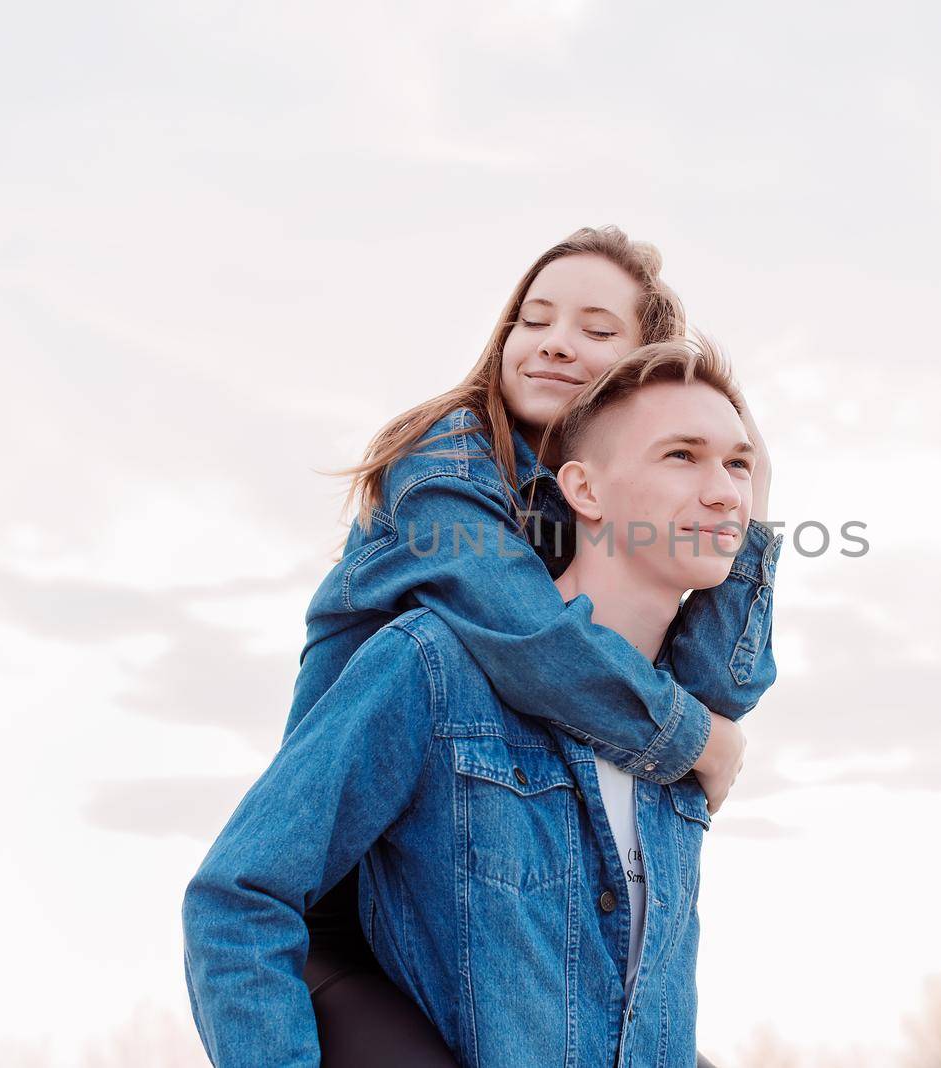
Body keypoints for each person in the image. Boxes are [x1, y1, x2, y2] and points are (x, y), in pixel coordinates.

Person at [281, 226, 783, 1063]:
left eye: (596, 329)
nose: (554, 343)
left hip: (489, 910)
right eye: (534, 318)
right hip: (347, 902)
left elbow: (702, 685)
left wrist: (749, 502)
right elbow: (535, 645)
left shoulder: (587, 506)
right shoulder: (443, 472)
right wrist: (701, 744)